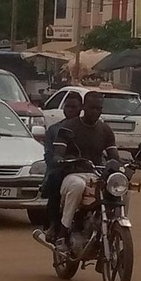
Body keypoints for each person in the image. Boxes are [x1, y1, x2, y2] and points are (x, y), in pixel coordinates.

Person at [53, 92, 119, 250]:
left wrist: (121, 166)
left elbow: (114, 156)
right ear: (83, 107)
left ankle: (114, 226)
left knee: (119, 188)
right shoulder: (68, 127)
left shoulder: (105, 130)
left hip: (96, 175)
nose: (96, 112)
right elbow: (58, 152)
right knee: (78, 186)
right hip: (73, 174)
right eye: (92, 108)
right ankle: (62, 233)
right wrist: (61, 158)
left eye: (99, 108)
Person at [41, 92, 82, 241]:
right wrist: (60, 161)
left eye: (74, 107)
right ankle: (53, 224)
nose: (70, 109)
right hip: (61, 170)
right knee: (55, 179)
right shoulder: (54, 129)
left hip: (83, 170)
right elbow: (49, 156)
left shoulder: (86, 128)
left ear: (81, 108)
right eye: (68, 106)